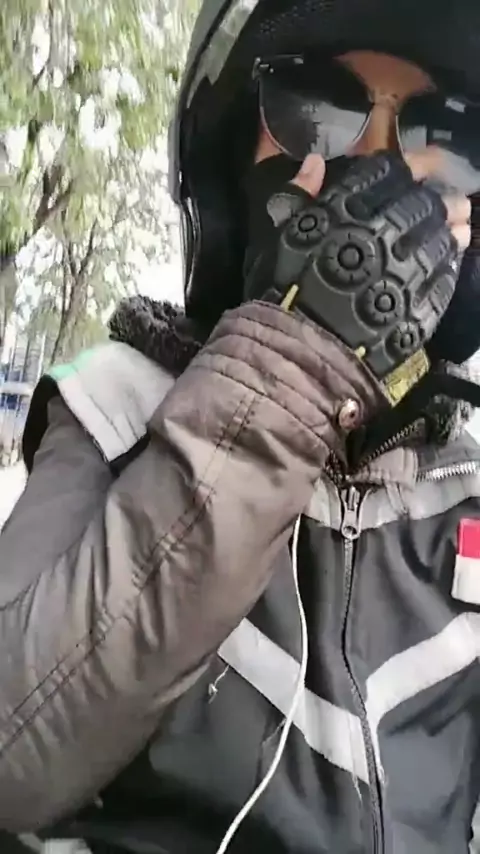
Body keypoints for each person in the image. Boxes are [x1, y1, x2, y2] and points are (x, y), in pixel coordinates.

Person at [1, 1, 480, 852]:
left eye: (444, 135)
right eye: (316, 107)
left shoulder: (466, 482)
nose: (378, 164)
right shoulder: (117, 405)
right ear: (230, 164)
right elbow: (13, 754)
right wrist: (295, 366)